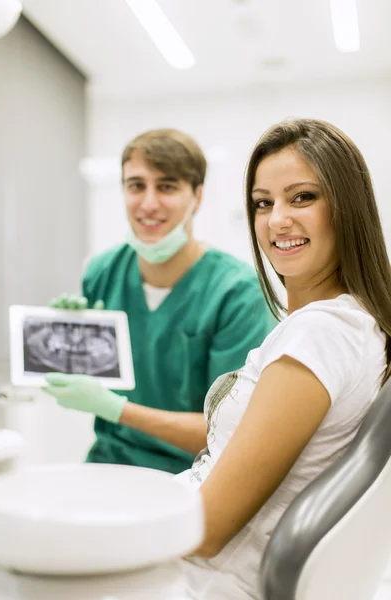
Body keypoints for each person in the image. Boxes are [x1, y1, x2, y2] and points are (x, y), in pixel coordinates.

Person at [45, 118, 391, 598]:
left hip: (200, 569)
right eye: (263, 203)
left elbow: (208, 528)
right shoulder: (351, 322)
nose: (276, 220)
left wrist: (95, 528)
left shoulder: (315, 335)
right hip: (168, 513)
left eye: (303, 197)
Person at [46, 128, 274, 474]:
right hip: (108, 464)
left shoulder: (237, 293)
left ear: (197, 197)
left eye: (166, 186)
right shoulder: (102, 272)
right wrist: (64, 339)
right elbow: (90, 380)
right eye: (136, 185)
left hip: (193, 475)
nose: (148, 203)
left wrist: (117, 410)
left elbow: (231, 433)